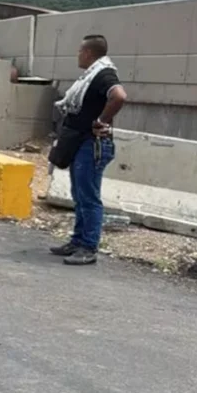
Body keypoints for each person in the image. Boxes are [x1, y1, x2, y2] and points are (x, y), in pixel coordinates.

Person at [50, 34, 128, 265]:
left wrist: (102, 121)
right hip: (80, 141)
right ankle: (77, 241)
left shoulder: (103, 74)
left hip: (91, 144)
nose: (78, 55)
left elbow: (119, 96)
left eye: (79, 51)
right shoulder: (91, 75)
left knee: (88, 197)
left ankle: (88, 247)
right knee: (79, 194)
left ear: (88, 53)